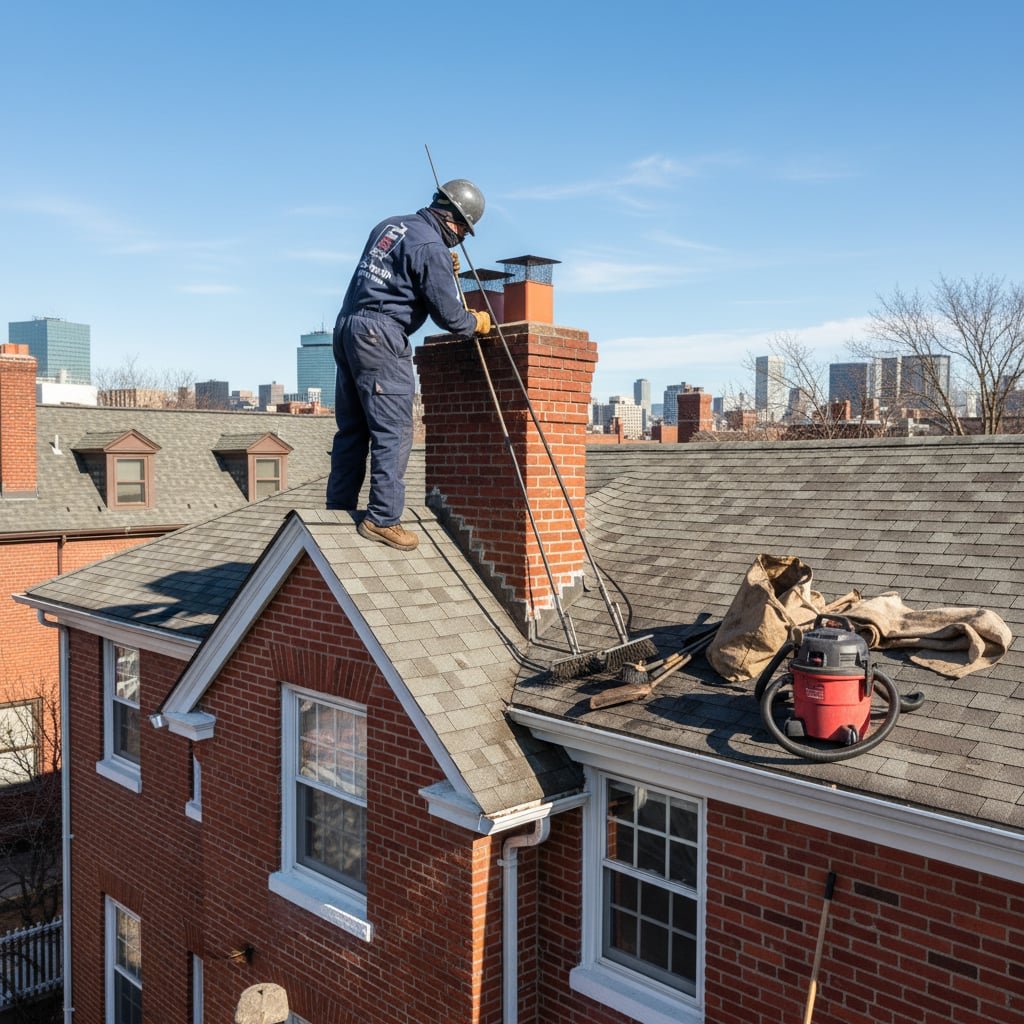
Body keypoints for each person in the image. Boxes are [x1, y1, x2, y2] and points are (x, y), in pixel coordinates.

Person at [325, 179, 491, 551]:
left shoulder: (391, 225)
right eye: (463, 233)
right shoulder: (431, 245)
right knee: (395, 430)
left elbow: (400, 270)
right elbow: (449, 315)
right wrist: (475, 322)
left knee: (352, 430)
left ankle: (337, 509)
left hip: (348, 327)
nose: (460, 241)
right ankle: (382, 518)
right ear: (455, 221)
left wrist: (438, 263)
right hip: (381, 335)